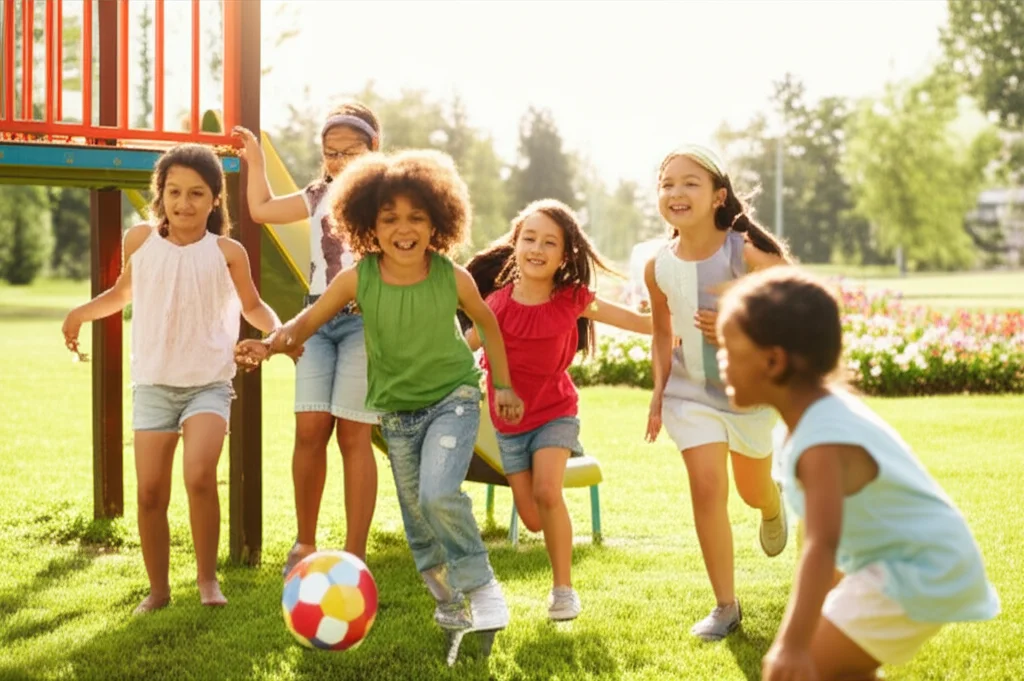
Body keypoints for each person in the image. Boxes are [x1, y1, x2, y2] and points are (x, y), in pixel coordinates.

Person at [237, 149, 522, 643]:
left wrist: (501, 384)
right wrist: (270, 343)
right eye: (389, 218)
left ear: (439, 222)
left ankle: (481, 586)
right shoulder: (356, 278)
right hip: (397, 412)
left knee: (437, 492)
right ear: (367, 223)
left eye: (417, 217)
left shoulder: (449, 276)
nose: (403, 228)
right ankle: (448, 601)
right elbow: (309, 322)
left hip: (452, 398)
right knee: (416, 518)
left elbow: (487, 321)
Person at [715, 266, 1000, 681]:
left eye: (727, 348)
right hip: (898, 564)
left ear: (773, 361)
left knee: (809, 668)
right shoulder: (809, 421)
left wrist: (793, 645)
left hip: (916, 568)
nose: (720, 361)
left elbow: (821, 544)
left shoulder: (822, 438)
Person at [61, 144, 282, 613]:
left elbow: (252, 306)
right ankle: (158, 591)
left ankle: (207, 581)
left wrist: (280, 332)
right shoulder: (139, 240)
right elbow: (123, 293)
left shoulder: (228, 251)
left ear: (214, 199)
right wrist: (81, 312)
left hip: (207, 382)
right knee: (149, 493)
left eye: (197, 194)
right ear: (159, 193)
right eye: (175, 192)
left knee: (200, 476)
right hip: (154, 383)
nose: (185, 203)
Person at [464, 198, 651, 620]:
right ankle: (555, 552)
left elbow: (635, 322)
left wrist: (672, 323)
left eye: (549, 242)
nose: (537, 248)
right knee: (531, 517)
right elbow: (462, 349)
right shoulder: (495, 305)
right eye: (529, 238)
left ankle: (563, 591)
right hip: (508, 424)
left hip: (556, 412)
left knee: (548, 492)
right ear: (514, 245)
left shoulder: (573, 299)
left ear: (564, 255)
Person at [644, 143, 791, 640]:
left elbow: (791, 305)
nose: (676, 192)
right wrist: (658, 393)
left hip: (745, 394)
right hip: (689, 393)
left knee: (752, 491)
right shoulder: (658, 265)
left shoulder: (743, 251)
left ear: (717, 196)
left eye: (690, 183)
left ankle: (772, 503)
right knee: (706, 487)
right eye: (667, 184)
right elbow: (663, 333)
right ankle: (725, 606)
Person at [232, 101, 381, 573]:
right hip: (315, 321)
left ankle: (355, 552)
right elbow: (260, 210)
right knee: (310, 430)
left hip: (365, 322)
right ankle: (304, 543)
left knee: (354, 436)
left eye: (349, 151)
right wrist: (256, 159)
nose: (338, 161)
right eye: (330, 152)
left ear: (373, 149)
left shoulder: (388, 195)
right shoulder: (318, 194)